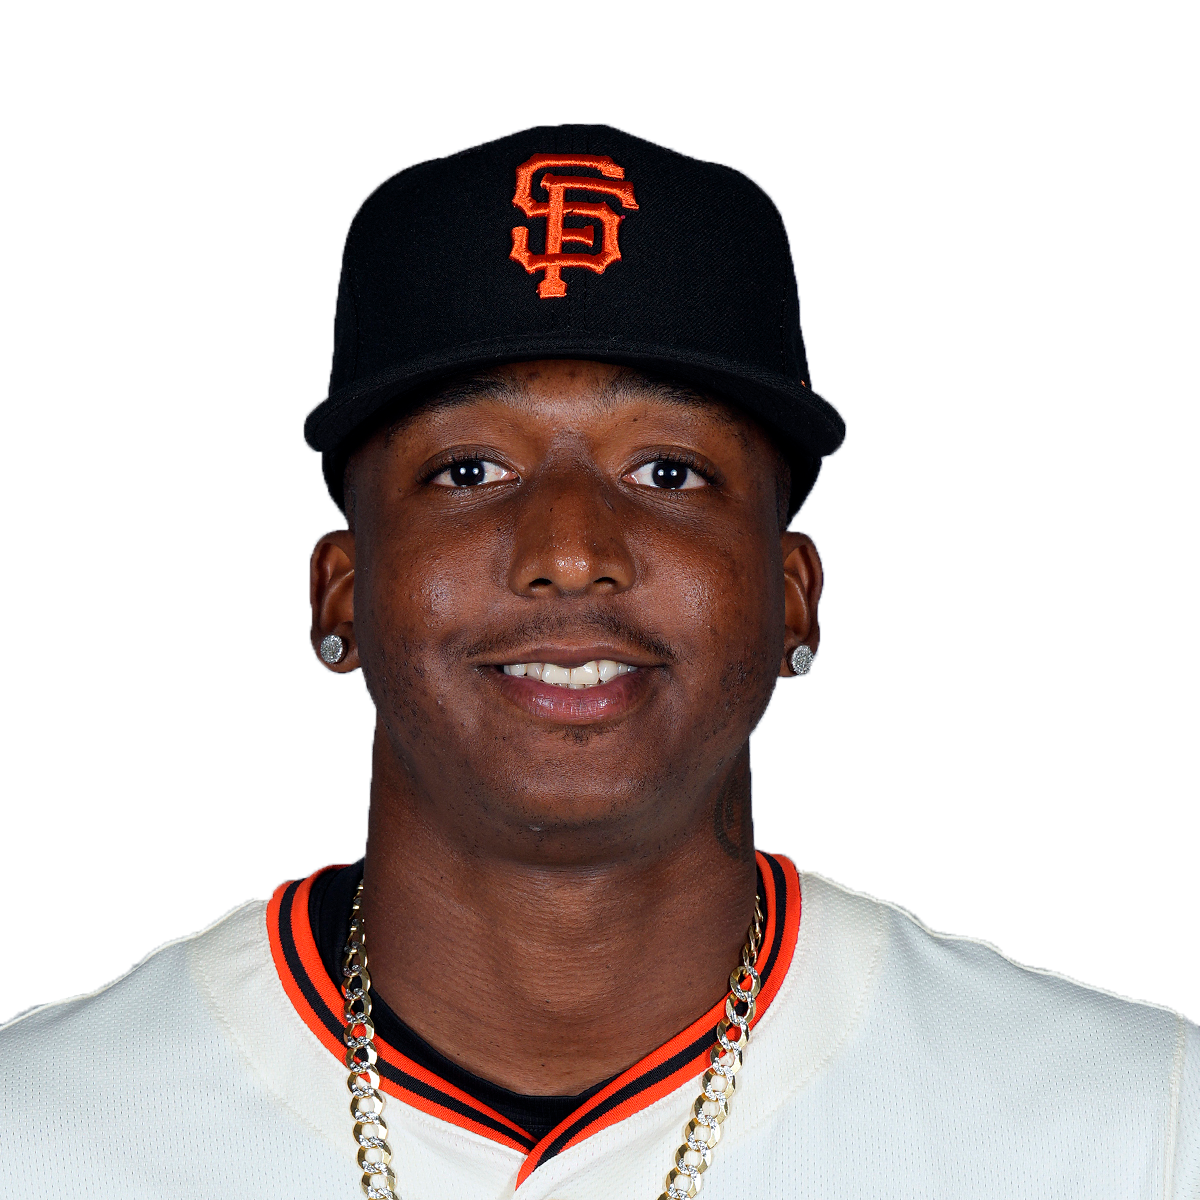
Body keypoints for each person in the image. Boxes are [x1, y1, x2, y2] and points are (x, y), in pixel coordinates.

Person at [1, 124, 1195, 1199]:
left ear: (793, 598)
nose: (570, 553)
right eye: (469, 470)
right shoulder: (34, 1134)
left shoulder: (1135, 1129)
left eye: (668, 472)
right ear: (342, 592)